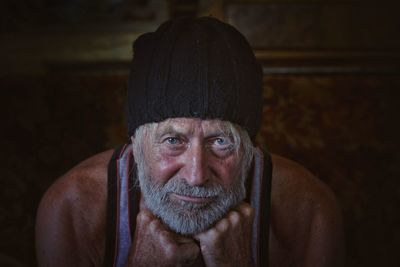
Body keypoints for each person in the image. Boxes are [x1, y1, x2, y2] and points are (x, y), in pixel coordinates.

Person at [35, 17, 344, 267]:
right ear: (134, 140)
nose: (196, 176)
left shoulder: (308, 211)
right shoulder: (72, 208)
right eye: (173, 140)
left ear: (250, 146)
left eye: (221, 142)